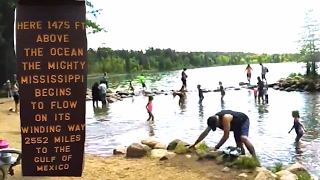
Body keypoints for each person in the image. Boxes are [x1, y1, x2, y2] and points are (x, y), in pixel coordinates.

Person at [189, 110, 257, 158]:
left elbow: (226, 136)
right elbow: (205, 133)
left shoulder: (225, 118)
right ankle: (243, 158)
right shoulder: (213, 120)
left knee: (243, 138)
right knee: (239, 145)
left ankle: (254, 158)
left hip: (242, 120)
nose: (218, 127)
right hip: (234, 124)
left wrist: (216, 148)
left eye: (217, 125)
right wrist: (195, 144)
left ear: (217, 121)